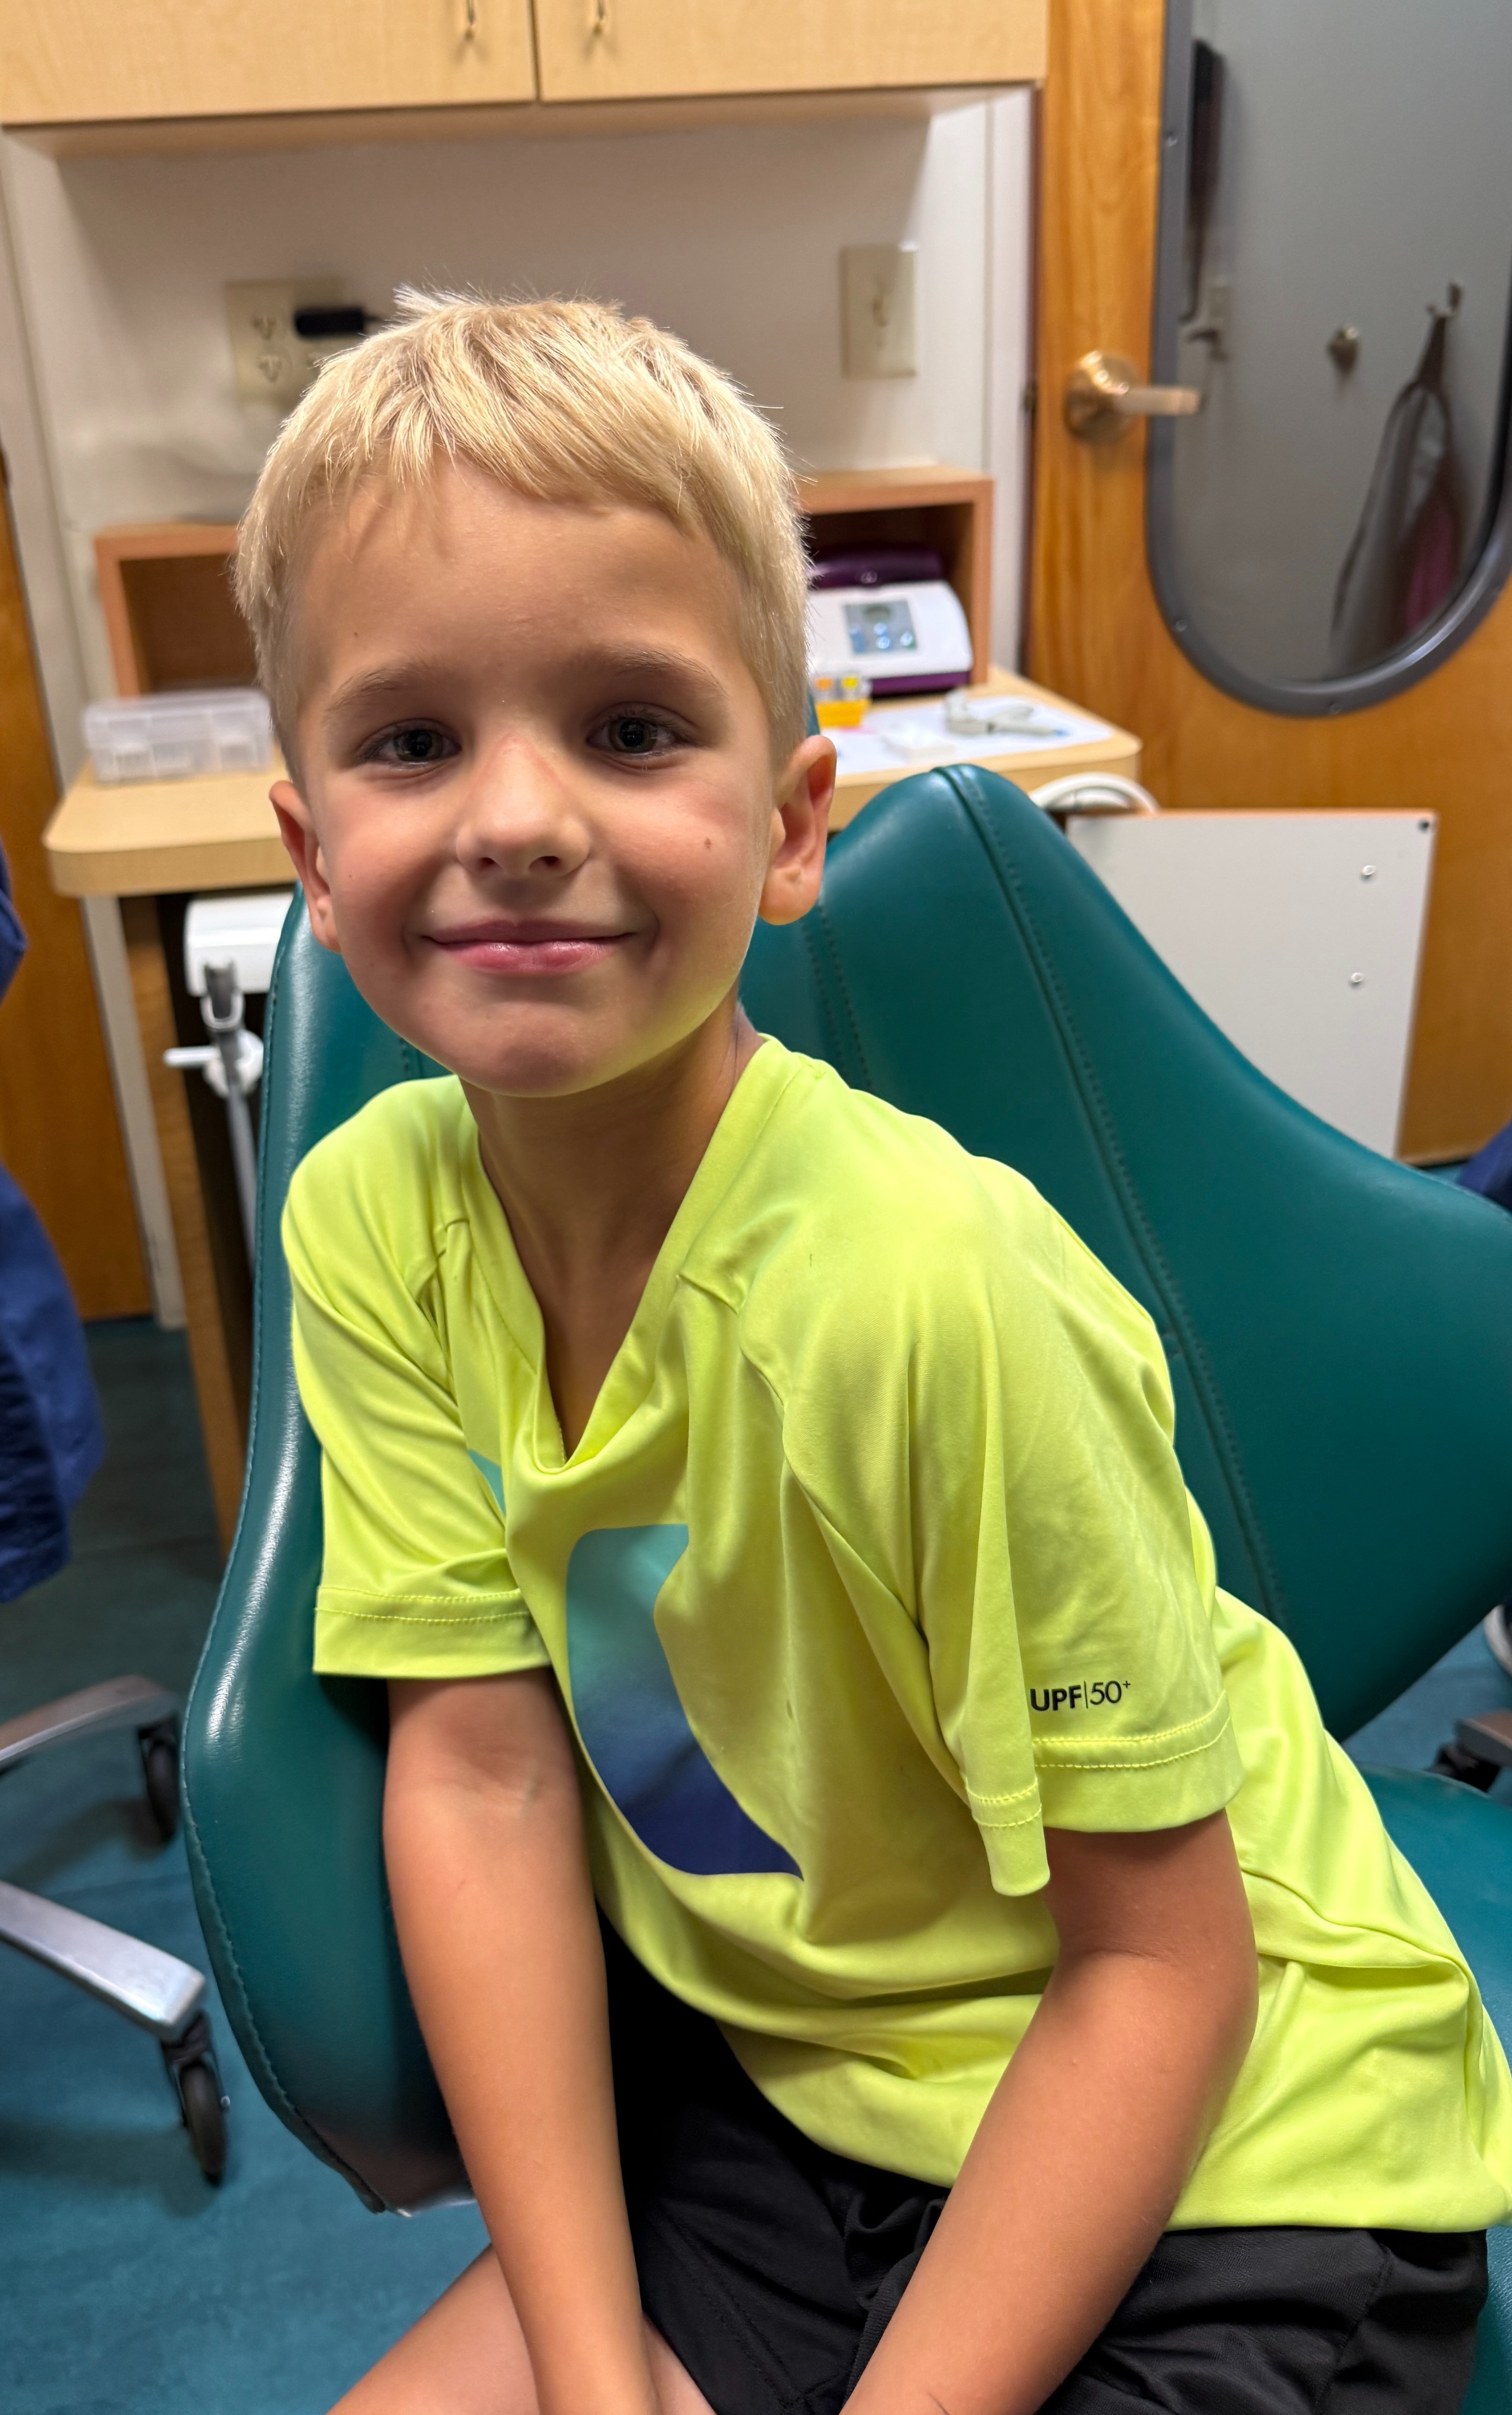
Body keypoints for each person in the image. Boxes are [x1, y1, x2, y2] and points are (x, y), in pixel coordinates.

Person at [238, 294, 1511, 2415]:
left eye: (630, 727)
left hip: (1232, 2140)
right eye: (411, 742)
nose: (518, 814)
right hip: (798, 2083)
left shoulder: (936, 1290)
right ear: (309, 851)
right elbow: (482, 1768)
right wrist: (593, 2370)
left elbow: (1160, 1968)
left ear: (792, 821)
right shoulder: (372, 1218)